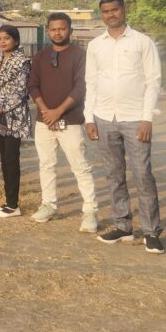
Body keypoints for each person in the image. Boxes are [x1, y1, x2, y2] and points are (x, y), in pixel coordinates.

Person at [85, 0, 164, 253]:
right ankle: (122, 226)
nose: (111, 15)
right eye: (106, 11)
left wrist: (147, 118)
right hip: (104, 116)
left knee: (142, 174)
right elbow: (91, 82)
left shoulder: (142, 42)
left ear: (124, 10)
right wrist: (89, 118)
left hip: (135, 118)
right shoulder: (96, 45)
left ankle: (151, 231)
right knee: (114, 174)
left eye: (115, 10)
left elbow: (153, 81)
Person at [28, 12, 99, 230]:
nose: (57, 33)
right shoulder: (40, 56)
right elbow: (33, 86)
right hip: (44, 121)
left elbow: (81, 87)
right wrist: (46, 112)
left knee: (80, 166)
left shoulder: (80, 55)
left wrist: (58, 111)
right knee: (46, 165)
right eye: (53, 29)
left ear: (70, 30)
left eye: (62, 28)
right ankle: (49, 204)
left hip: (71, 120)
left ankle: (90, 212)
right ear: (48, 31)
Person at [0, 25, 32, 218]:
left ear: (16, 41)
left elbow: (19, 92)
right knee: (4, 159)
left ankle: (13, 205)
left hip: (13, 116)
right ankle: (8, 201)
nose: (2, 42)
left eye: (7, 38)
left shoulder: (22, 62)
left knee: (12, 159)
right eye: (0, 38)